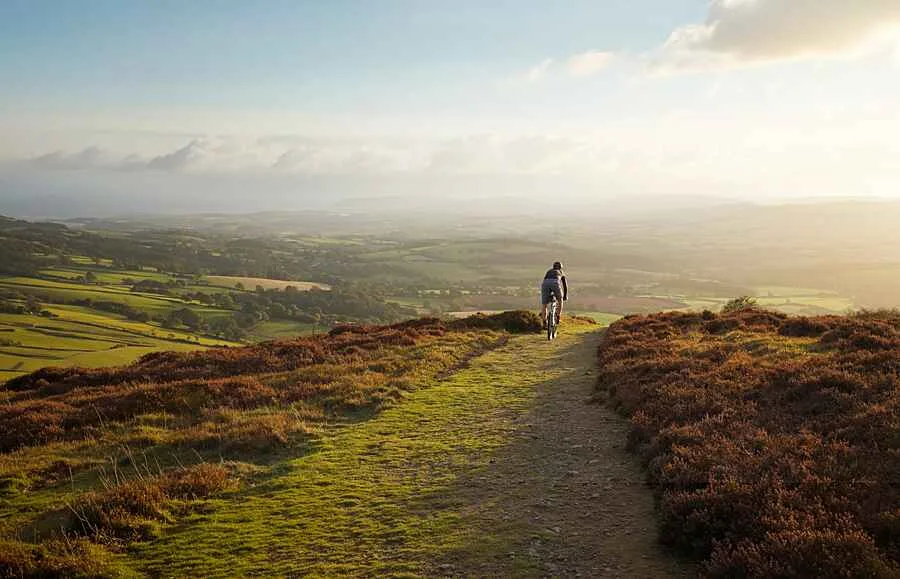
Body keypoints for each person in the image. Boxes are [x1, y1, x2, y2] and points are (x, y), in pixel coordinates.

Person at [540, 261, 568, 327]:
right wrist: (565, 296)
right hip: (555, 283)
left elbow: (546, 281)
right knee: (560, 300)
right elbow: (564, 285)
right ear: (560, 268)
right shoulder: (561, 272)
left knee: (544, 304)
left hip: (545, 283)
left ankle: (544, 322)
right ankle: (558, 317)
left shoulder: (549, 271)